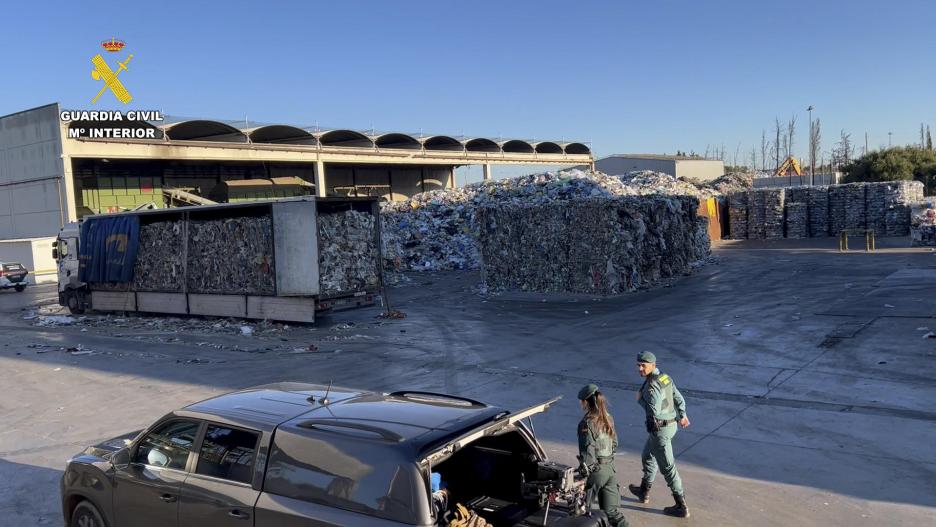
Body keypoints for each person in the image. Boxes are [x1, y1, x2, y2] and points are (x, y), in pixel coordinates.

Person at [628, 351, 690, 518]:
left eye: (643, 365)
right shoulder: (664, 377)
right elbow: (678, 397)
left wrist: (640, 399)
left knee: (668, 468)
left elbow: (653, 411)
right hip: (670, 425)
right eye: (638, 365)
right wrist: (682, 415)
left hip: (660, 430)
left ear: (653, 365)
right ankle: (643, 491)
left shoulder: (651, 386)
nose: (640, 368)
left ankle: (681, 505)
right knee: (647, 455)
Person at [576, 383, 629, 527]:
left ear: (586, 402)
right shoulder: (608, 418)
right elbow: (615, 443)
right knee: (611, 512)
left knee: (581, 512)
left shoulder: (586, 423)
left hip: (596, 472)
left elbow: (587, 453)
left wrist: (583, 478)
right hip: (610, 470)